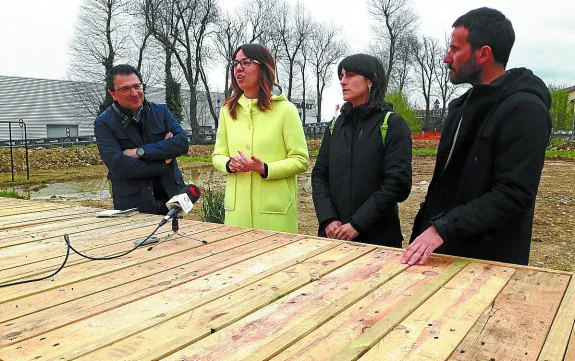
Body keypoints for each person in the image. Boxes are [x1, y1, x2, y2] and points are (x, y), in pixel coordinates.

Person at [403, 8, 552, 266]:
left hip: (488, 264)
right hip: (441, 255)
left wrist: (442, 228)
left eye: (455, 49)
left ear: (483, 53)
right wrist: (425, 229)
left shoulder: (525, 109)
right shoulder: (461, 108)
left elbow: (513, 194)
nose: (446, 58)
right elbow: (444, 185)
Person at [312, 54, 412, 246]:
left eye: (349, 75)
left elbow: (397, 184)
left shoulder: (391, 124)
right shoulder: (335, 125)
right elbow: (319, 174)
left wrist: (357, 224)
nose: (342, 81)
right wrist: (328, 219)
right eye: (341, 75)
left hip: (378, 239)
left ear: (370, 80)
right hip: (333, 236)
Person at [212, 43, 309, 233]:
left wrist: (265, 168)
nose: (238, 68)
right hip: (236, 214)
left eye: (246, 62)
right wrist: (228, 164)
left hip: (275, 214)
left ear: (264, 67)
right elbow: (217, 155)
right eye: (236, 63)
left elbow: (301, 160)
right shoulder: (227, 110)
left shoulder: (286, 110)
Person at [94, 64, 189, 215]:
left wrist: (140, 152)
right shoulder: (104, 123)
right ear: (112, 94)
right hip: (132, 204)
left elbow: (182, 143)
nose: (134, 93)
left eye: (137, 86)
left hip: (171, 198)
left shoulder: (161, 112)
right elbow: (119, 166)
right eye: (125, 89)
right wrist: (163, 161)